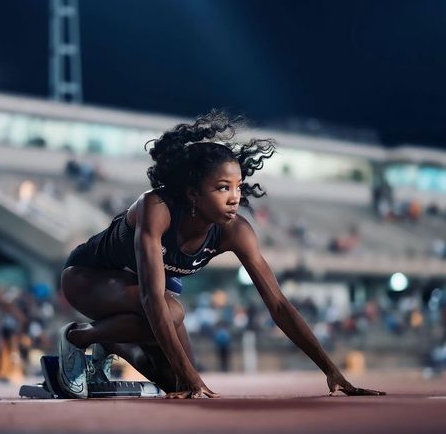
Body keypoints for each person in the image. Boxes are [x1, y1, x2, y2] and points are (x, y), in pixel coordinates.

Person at [59, 111, 385, 399]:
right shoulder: (156, 208)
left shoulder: (235, 231)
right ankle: (77, 336)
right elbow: (152, 299)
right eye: (222, 188)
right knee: (172, 316)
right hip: (87, 277)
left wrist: (331, 370)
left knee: (176, 384)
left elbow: (279, 306)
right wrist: (195, 379)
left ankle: (108, 342)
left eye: (238, 186)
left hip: (138, 296)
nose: (234, 197)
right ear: (192, 193)